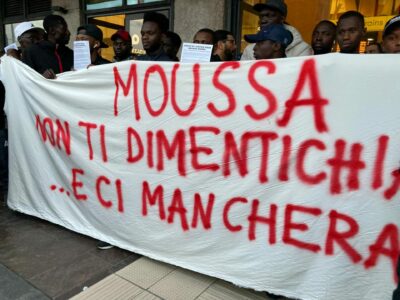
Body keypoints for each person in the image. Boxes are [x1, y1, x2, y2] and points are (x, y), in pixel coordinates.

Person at [241, 0, 312, 60]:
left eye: (269, 16)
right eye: (261, 16)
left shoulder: (302, 49)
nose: (263, 21)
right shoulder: (249, 50)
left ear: (282, 19)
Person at [23, 14, 73, 79]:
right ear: (52, 30)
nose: (68, 32)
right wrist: (42, 77)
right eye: (64, 28)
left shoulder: (70, 53)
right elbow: (25, 79)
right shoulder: (31, 52)